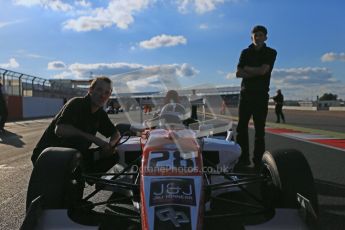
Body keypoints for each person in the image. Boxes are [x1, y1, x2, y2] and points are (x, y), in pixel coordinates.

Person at [31, 76, 121, 173]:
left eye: (107, 93)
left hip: (75, 156)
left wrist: (109, 147)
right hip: (50, 155)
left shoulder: (100, 113)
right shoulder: (76, 103)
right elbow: (60, 129)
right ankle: (76, 178)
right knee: (78, 150)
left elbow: (116, 133)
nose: (102, 95)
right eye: (99, 90)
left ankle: (82, 179)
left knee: (113, 155)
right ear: (90, 90)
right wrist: (93, 138)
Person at [235, 25, 277, 168]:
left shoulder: (271, 52)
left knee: (260, 130)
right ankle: (243, 159)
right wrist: (256, 71)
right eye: (255, 35)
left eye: (260, 35)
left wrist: (248, 69)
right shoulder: (245, 52)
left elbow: (263, 71)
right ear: (251, 37)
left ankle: (258, 161)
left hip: (260, 96)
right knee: (241, 129)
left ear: (265, 37)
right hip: (245, 94)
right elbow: (238, 73)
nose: (257, 37)